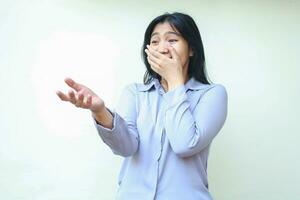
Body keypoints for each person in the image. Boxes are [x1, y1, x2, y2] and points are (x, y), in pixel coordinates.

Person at [56, 12, 228, 200]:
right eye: (154, 42)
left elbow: (184, 144)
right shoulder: (135, 93)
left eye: (172, 40)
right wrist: (100, 111)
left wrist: (175, 81)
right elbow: (126, 148)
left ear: (192, 49)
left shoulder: (212, 94)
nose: (162, 48)